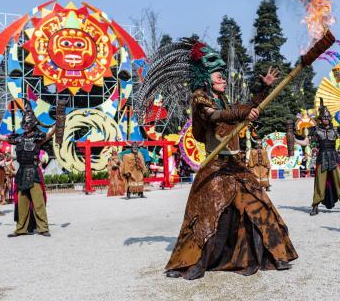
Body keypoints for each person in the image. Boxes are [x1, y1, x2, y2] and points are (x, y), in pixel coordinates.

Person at [133, 37, 322, 279]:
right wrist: (243, 111)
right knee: (207, 214)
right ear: (205, 76)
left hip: (235, 165)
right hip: (215, 167)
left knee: (259, 204)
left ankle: (273, 255)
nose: (222, 77)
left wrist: (262, 90)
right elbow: (215, 116)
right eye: (217, 74)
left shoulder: (223, 97)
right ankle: (195, 263)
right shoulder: (201, 98)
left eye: (223, 74)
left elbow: (242, 110)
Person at [0, 102, 59, 237]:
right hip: (22, 172)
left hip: (34, 172)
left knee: (38, 202)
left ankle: (43, 228)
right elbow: (0, 137)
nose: (25, 125)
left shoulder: (38, 138)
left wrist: (59, 120)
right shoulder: (18, 138)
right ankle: (21, 229)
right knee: (22, 204)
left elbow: (49, 134)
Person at [297, 99, 340, 216]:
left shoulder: (336, 130)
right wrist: (294, 140)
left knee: (339, 182)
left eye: (327, 117)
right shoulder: (315, 130)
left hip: (334, 157)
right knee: (319, 183)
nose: (326, 119)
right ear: (321, 119)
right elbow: (306, 142)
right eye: (324, 117)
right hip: (322, 157)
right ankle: (315, 206)